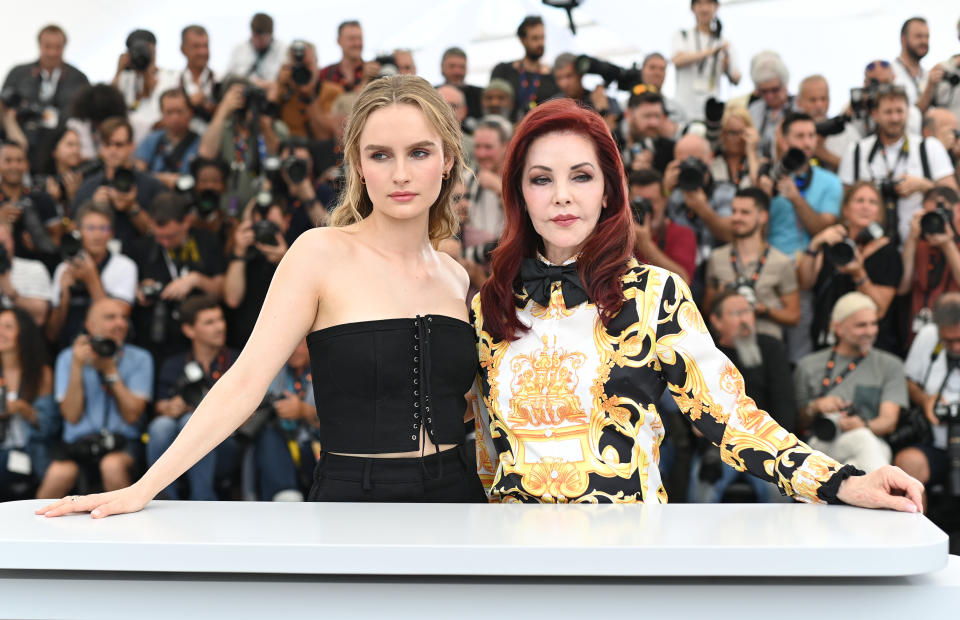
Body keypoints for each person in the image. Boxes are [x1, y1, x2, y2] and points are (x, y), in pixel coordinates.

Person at [38, 75, 487, 518]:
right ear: (357, 164)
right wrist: (144, 488)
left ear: (447, 159)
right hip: (355, 503)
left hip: (455, 498)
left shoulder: (454, 276)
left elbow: (459, 404)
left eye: (419, 152)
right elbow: (244, 383)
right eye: (381, 155)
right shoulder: (318, 253)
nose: (401, 174)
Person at [471, 97, 921, 510]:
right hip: (518, 562)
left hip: (621, 561)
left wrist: (842, 481)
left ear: (608, 191)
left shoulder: (653, 295)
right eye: (541, 179)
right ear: (520, 194)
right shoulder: (490, 305)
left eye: (581, 176)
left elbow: (732, 419)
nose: (561, 195)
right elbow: (484, 454)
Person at [37, 298, 153, 499]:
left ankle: (127, 529)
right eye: (111, 317)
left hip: (123, 443)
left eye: (124, 318)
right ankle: (32, 529)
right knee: (58, 473)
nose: (121, 323)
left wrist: (110, 371)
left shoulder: (140, 358)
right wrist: (76, 366)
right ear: (90, 325)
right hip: (78, 444)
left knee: (112, 466)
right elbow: (71, 416)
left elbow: (133, 415)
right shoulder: (68, 357)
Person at [689, 290, 796, 503]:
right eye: (737, 313)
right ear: (716, 321)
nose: (745, 319)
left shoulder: (771, 347)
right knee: (702, 488)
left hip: (765, 444)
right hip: (718, 446)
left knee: (779, 492)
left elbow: (785, 405)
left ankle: (783, 538)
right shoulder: (705, 354)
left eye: (748, 311)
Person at [793, 292, 906, 473]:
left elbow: (889, 421)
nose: (870, 331)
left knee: (859, 453)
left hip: (872, 443)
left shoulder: (890, 365)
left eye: (874, 324)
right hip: (820, 445)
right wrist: (816, 407)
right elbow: (795, 423)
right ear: (838, 328)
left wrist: (862, 425)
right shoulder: (808, 365)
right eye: (861, 325)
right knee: (864, 446)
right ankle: (885, 496)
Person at [838, 85, 957, 246]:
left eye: (899, 111)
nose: (895, 118)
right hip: (870, 247)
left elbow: (953, 197)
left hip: (923, 244)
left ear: (908, 112)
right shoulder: (857, 151)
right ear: (875, 114)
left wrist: (923, 186)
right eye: (888, 112)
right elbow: (844, 204)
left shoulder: (929, 147)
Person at [147, 296, 240, 500]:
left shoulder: (238, 360)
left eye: (220, 319)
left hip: (226, 443)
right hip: (180, 438)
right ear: (189, 330)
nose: (220, 327)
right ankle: (164, 497)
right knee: (161, 426)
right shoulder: (174, 364)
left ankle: (203, 498)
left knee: (191, 421)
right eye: (209, 322)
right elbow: (160, 404)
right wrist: (170, 407)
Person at [799, 182, 903, 354]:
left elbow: (881, 308)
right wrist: (815, 244)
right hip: (827, 337)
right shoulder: (831, 242)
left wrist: (859, 274)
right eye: (859, 200)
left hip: (870, 345)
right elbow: (805, 283)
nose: (865, 207)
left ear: (879, 213)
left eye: (872, 202)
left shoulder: (888, 252)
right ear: (845, 209)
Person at [703, 188, 800, 341]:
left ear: (763, 217)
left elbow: (794, 316)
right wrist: (721, 298)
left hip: (766, 342)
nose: (736, 217)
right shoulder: (717, 257)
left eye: (745, 212)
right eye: (733, 211)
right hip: (727, 344)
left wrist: (764, 310)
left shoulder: (781, 262)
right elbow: (706, 310)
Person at [896, 292, 960, 508]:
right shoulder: (928, 335)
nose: (956, 347)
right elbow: (909, 382)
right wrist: (925, 400)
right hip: (938, 443)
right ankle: (915, 536)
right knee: (907, 464)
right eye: (949, 341)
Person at [46, 202, 138, 351]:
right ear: (78, 231)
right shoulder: (64, 268)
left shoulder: (125, 266)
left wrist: (92, 279)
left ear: (111, 233)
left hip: (109, 350)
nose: (97, 235)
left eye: (103, 228)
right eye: (90, 228)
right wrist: (64, 295)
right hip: (70, 351)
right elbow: (52, 334)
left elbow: (119, 319)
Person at [1, 24, 89, 174]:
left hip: (59, 156)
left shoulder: (78, 79)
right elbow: (3, 108)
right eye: (48, 47)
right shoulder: (19, 74)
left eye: (58, 47)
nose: (52, 53)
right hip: (20, 150)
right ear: (39, 45)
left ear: (64, 47)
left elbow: (85, 119)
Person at [72, 117, 166, 249]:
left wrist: (132, 208)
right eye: (107, 144)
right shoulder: (87, 188)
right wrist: (94, 209)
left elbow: (163, 234)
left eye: (118, 145)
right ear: (100, 148)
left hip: (143, 262)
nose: (112, 150)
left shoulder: (151, 185)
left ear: (131, 146)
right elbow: (74, 232)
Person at [762, 112, 842, 259]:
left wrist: (796, 198)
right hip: (771, 260)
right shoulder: (766, 176)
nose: (807, 143)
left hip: (812, 261)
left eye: (811, 136)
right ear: (784, 142)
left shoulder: (831, 181)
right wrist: (763, 197)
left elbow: (823, 229)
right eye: (800, 136)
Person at [0, 307, 56, 501]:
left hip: (29, 452)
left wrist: (20, 408)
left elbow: (49, 426)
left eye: (8, 327)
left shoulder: (40, 374)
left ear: (22, 333)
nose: (1, 332)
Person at [898, 187, 960, 342]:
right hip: (918, 333)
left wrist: (948, 245)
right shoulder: (920, 243)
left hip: (954, 334)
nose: (936, 220)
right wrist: (912, 238)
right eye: (930, 215)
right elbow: (903, 286)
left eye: (943, 213)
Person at [671, 0, 741, 122]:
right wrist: (711, 52)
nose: (704, 9)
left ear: (716, 7)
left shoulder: (724, 42)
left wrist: (726, 67)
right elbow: (677, 60)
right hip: (683, 111)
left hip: (711, 112)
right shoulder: (683, 36)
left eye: (709, 3)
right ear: (692, 8)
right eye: (700, 4)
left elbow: (736, 78)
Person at [111, 29, 178, 146]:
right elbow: (108, 102)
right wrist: (118, 71)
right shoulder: (125, 78)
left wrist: (146, 69)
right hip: (129, 141)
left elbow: (158, 93)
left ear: (154, 50)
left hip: (159, 138)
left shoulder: (170, 76)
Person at [628, 168, 695, 284]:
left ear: (665, 201)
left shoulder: (682, 234)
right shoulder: (616, 234)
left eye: (651, 201)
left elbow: (683, 281)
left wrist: (646, 244)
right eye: (639, 202)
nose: (645, 208)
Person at [490, 15, 558, 121]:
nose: (540, 43)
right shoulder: (503, 71)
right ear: (523, 40)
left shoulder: (553, 76)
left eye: (542, 37)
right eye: (535, 38)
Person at [132, 89, 200, 187]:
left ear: (190, 112)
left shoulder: (200, 143)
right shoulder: (151, 139)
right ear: (162, 114)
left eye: (179, 111)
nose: (174, 118)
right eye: (169, 112)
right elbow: (138, 171)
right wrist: (165, 179)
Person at [0, 222, 51, 328]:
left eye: (2, 243)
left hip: (25, 340)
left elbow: (40, 317)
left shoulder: (34, 268)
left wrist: (10, 291)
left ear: (12, 242)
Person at [551, 53, 619, 131]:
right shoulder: (553, 106)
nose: (564, 84)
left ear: (580, 74)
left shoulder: (605, 101)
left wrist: (603, 111)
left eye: (569, 76)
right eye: (559, 78)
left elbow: (616, 137)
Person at [747, 53, 793, 160]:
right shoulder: (754, 109)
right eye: (764, 91)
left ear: (785, 85)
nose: (769, 96)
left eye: (774, 90)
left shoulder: (798, 106)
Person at [621, 87, 675, 174]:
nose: (653, 123)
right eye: (647, 116)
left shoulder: (672, 153)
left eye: (657, 116)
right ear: (628, 115)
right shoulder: (611, 147)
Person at [225, 13, 287, 87]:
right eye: (255, 36)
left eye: (262, 39)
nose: (258, 42)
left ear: (271, 35)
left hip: (270, 92)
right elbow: (228, 76)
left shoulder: (283, 50)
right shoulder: (239, 49)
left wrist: (266, 84)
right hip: (243, 91)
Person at [709, 106, 759, 189]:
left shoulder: (756, 161)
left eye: (742, 132)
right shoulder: (713, 160)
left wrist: (751, 152)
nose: (739, 138)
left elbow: (757, 185)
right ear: (723, 134)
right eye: (733, 133)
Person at [177, 25, 216, 132]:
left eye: (205, 46)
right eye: (196, 46)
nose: (202, 52)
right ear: (183, 49)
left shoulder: (220, 80)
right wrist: (188, 104)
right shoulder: (172, 81)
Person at [317, 21, 374, 93]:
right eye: (352, 39)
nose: (357, 43)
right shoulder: (325, 74)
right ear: (339, 41)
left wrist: (369, 78)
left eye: (360, 38)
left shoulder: (374, 72)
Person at [439, 47, 484, 124]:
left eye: (462, 67)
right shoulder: (431, 93)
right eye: (452, 66)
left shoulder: (480, 95)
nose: (457, 72)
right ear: (442, 68)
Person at [893, 17, 930, 109]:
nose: (924, 41)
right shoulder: (890, 73)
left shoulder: (927, 75)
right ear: (903, 39)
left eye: (927, 36)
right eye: (918, 36)